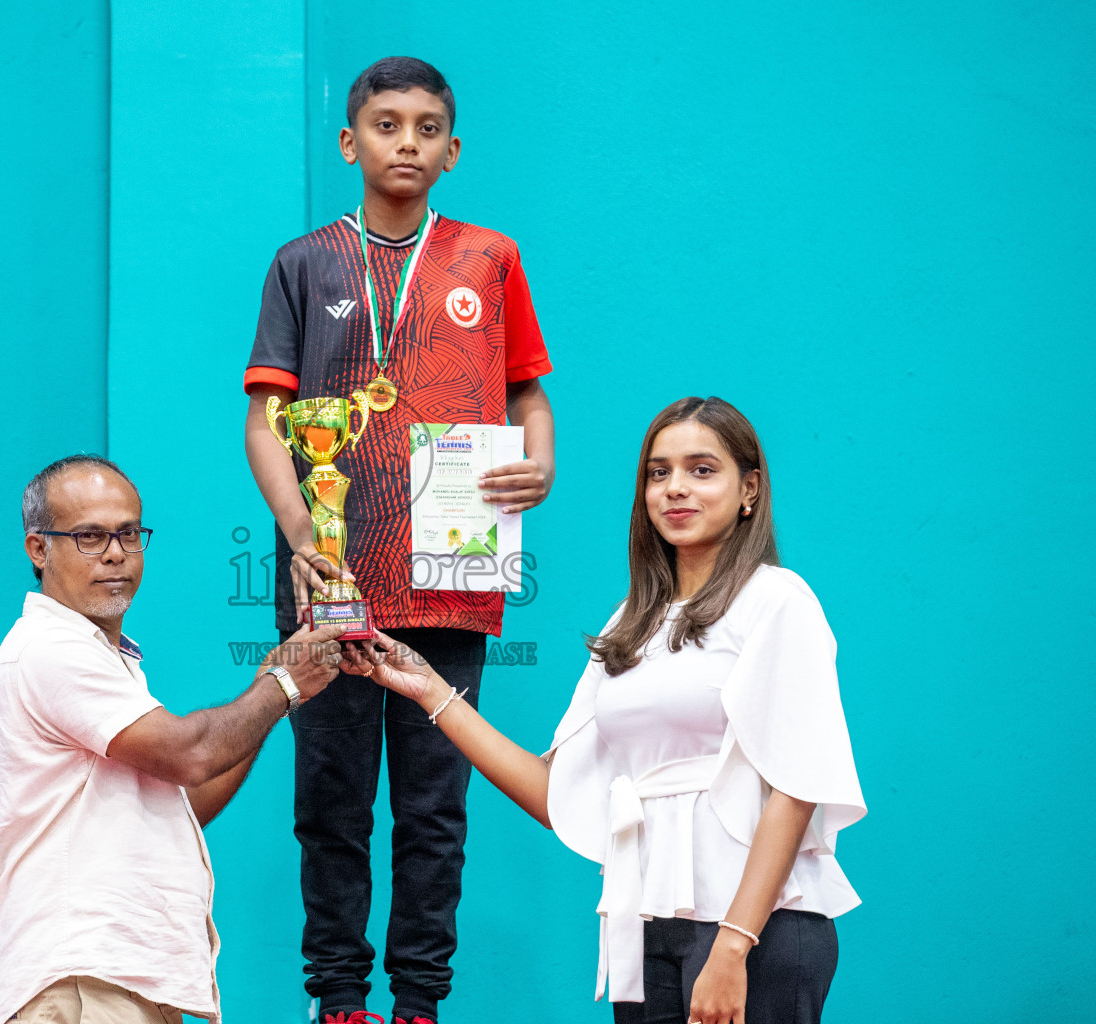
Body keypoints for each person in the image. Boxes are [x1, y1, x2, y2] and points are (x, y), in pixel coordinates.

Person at [352, 398, 866, 1024]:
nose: (675, 488)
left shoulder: (777, 601)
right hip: (642, 925)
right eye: (658, 472)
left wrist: (734, 944)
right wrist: (429, 689)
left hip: (755, 927)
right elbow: (556, 793)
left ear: (749, 489)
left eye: (702, 470)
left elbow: (795, 784)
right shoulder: (630, 623)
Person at [242, 56, 556, 1024]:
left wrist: (541, 465)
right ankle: (340, 998)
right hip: (331, 574)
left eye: (427, 128)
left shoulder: (490, 258)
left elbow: (527, 390)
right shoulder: (304, 263)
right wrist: (300, 529)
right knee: (329, 800)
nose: (406, 142)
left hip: (452, 575)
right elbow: (265, 417)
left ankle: (419, 1001)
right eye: (386, 125)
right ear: (351, 143)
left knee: (434, 807)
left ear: (452, 151)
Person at [0, 455, 348, 1024]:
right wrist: (283, 685)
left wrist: (273, 683)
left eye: (129, 533)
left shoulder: (102, 659)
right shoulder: (51, 648)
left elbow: (182, 804)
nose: (115, 553)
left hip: (121, 980)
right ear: (37, 548)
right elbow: (191, 754)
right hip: (81, 977)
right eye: (89, 536)